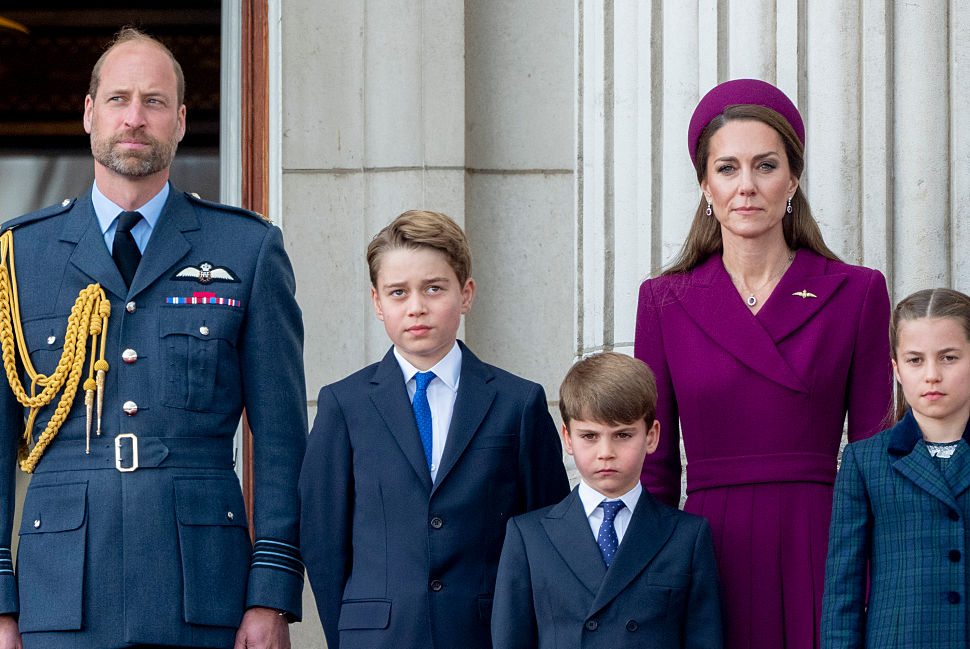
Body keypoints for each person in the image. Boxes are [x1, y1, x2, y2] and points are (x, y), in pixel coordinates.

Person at [0, 28, 306, 649]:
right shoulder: (18, 257)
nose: (134, 118)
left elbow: (281, 440)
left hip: (203, 590)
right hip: (57, 594)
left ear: (182, 120)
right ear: (88, 114)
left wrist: (271, 592)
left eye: (154, 101)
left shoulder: (246, 250)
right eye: (118, 99)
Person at [633, 78, 892, 649]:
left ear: (793, 178)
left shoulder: (856, 292)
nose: (746, 187)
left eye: (765, 165)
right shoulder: (664, 300)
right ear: (704, 183)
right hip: (707, 549)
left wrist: (876, 573)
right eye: (727, 168)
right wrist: (649, 581)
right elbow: (653, 466)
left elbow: (878, 455)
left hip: (822, 543)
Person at [299, 210, 569, 649]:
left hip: (486, 635)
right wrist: (350, 633)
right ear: (376, 302)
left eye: (434, 288)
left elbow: (546, 533)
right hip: (375, 638)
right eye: (398, 292)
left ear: (466, 294)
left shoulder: (518, 403)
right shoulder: (343, 405)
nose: (416, 307)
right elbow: (323, 538)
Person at [822, 289, 970, 648]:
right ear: (897, 370)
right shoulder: (863, 462)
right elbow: (843, 592)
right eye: (915, 360)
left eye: (948, 358)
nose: (932, 375)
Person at [491, 352, 723, 649]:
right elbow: (511, 640)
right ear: (567, 438)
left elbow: (704, 639)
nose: (606, 452)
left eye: (623, 435)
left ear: (651, 436)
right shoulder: (528, 536)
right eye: (589, 436)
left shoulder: (687, 536)